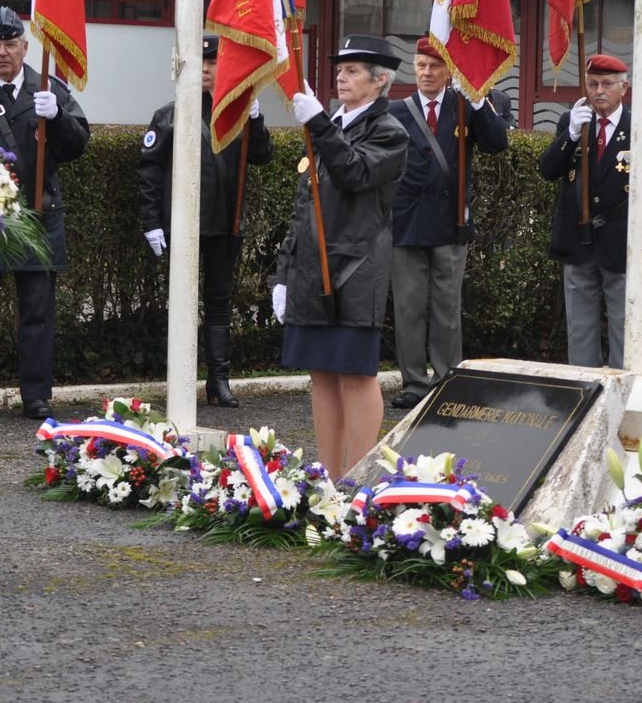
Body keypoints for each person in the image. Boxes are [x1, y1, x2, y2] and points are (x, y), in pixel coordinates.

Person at [0, 6, 90, 421]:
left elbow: (78, 146)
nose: (2, 52)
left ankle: (36, 395)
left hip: (37, 215)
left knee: (37, 313)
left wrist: (58, 118)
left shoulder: (51, 92)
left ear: (26, 47)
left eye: (10, 44)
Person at [273, 34, 408, 479]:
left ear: (380, 80)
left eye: (352, 71)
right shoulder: (332, 123)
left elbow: (353, 172)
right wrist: (283, 272)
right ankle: (330, 477)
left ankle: (359, 476)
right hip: (312, 268)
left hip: (355, 266)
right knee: (321, 374)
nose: (340, 76)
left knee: (354, 373)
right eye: (340, 69)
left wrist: (319, 126)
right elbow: (303, 208)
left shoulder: (389, 131)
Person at [136, 33, 274, 407]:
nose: (209, 70)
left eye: (215, 63)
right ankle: (179, 378)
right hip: (181, 225)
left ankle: (219, 379)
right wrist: (151, 222)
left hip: (224, 224)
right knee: (181, 304)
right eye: (203, 62)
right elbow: (149, 172)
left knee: (218, 303)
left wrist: (257, 120)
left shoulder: (237, 112)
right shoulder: (170, 114)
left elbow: (262, 156)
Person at [388, 35, 512, 410]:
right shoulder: (397, 110)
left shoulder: (464, 108)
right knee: (408, 306)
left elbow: (497, 144)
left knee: (446, 305)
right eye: (421, 66)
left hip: (450, 219)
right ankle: (413, 381)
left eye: (434, 66)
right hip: (407, 222)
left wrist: (478, 100)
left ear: (448, 71)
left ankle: (445, 377)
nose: (426, 72)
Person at [537, 53, 631, 369]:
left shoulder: (637, 126)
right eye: (592, 84)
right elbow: (548, 170)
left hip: (620, 238)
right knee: (580, 324)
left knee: (623, 320)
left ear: (623, 88)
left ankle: (622, 386)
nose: (598, 91)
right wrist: (572, 135)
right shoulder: (573, 120)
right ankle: (584, 384)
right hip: (578, 236)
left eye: (607, 84)